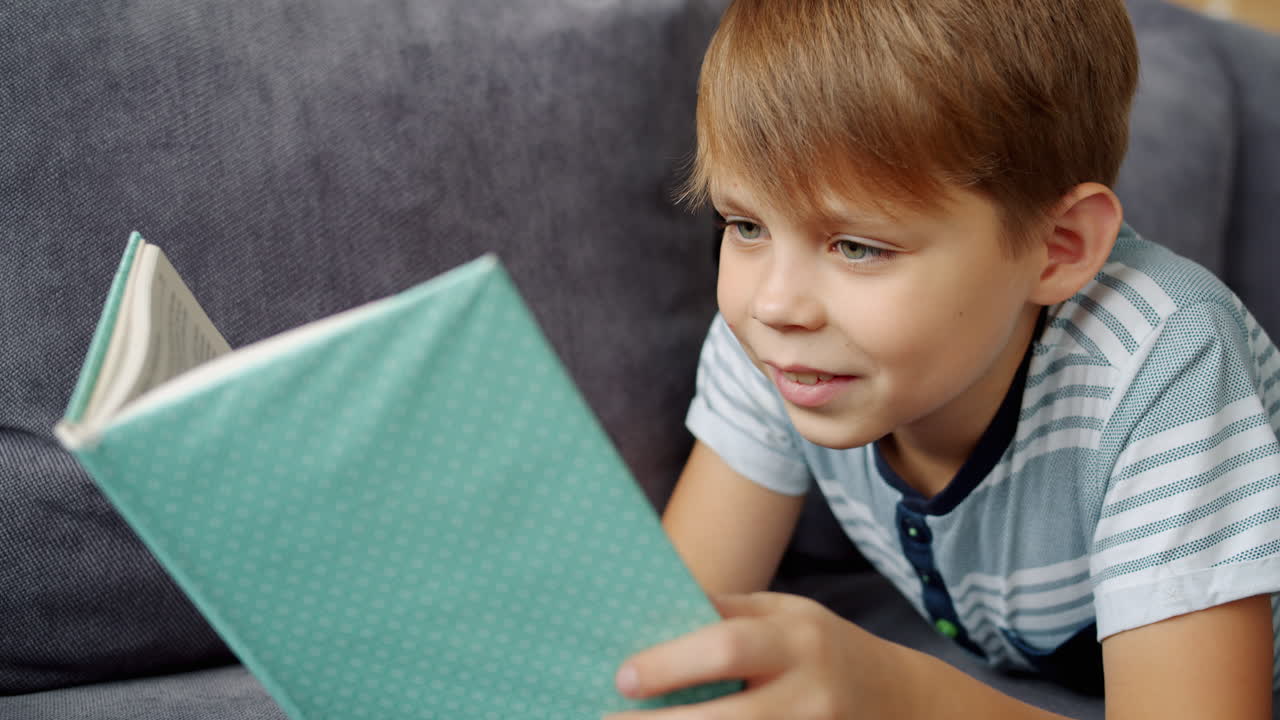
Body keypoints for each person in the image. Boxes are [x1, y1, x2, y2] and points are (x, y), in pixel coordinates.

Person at [603, 0, 1280, 717]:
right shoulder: (781, 346)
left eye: (857, 245)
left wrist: (904, 698)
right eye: (745, 225)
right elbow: (663, 650)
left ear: (1060, 249)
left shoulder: (1167, 363)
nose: (773, 305)